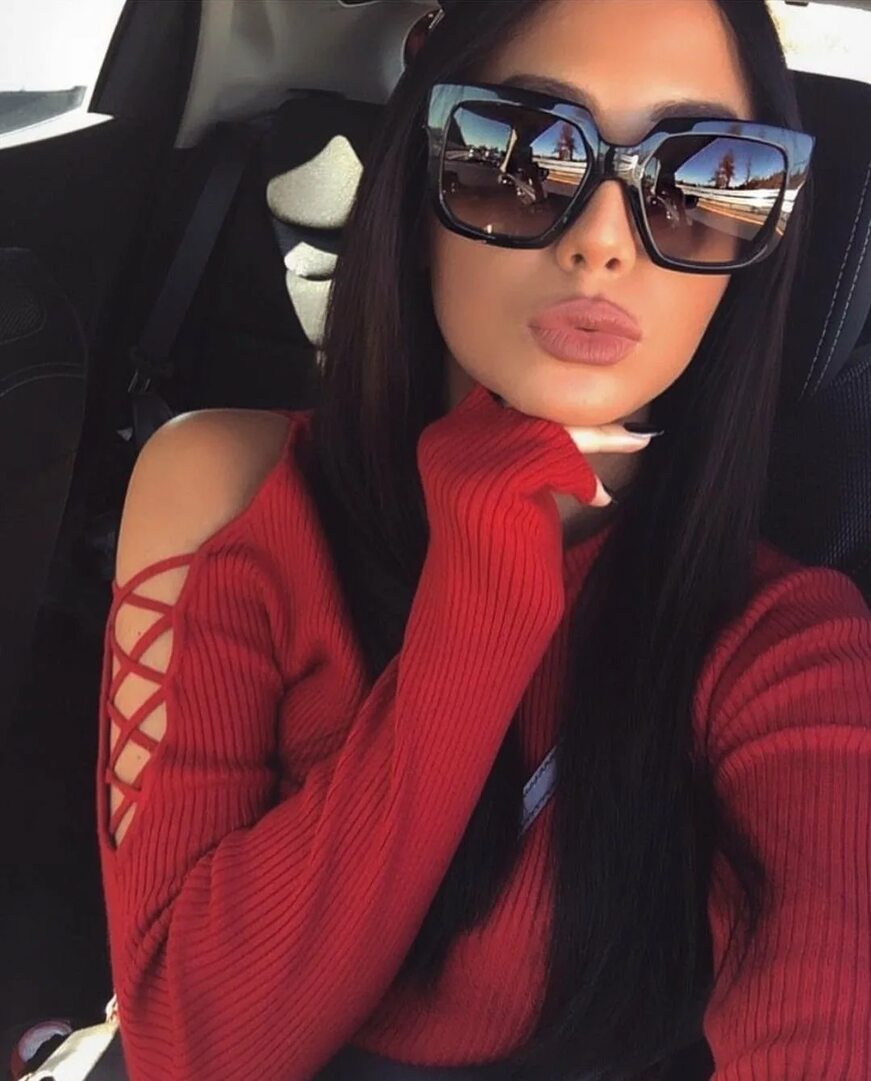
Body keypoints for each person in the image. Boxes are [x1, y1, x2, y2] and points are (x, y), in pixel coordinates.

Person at [96, 2, 871, 1080]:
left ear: (750, 255)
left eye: (704, 180)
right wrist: (481, 591)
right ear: (417, 197)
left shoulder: (787, 643)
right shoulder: (227, 490)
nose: (602, 240)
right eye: (517, 155)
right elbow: (188, 1048)